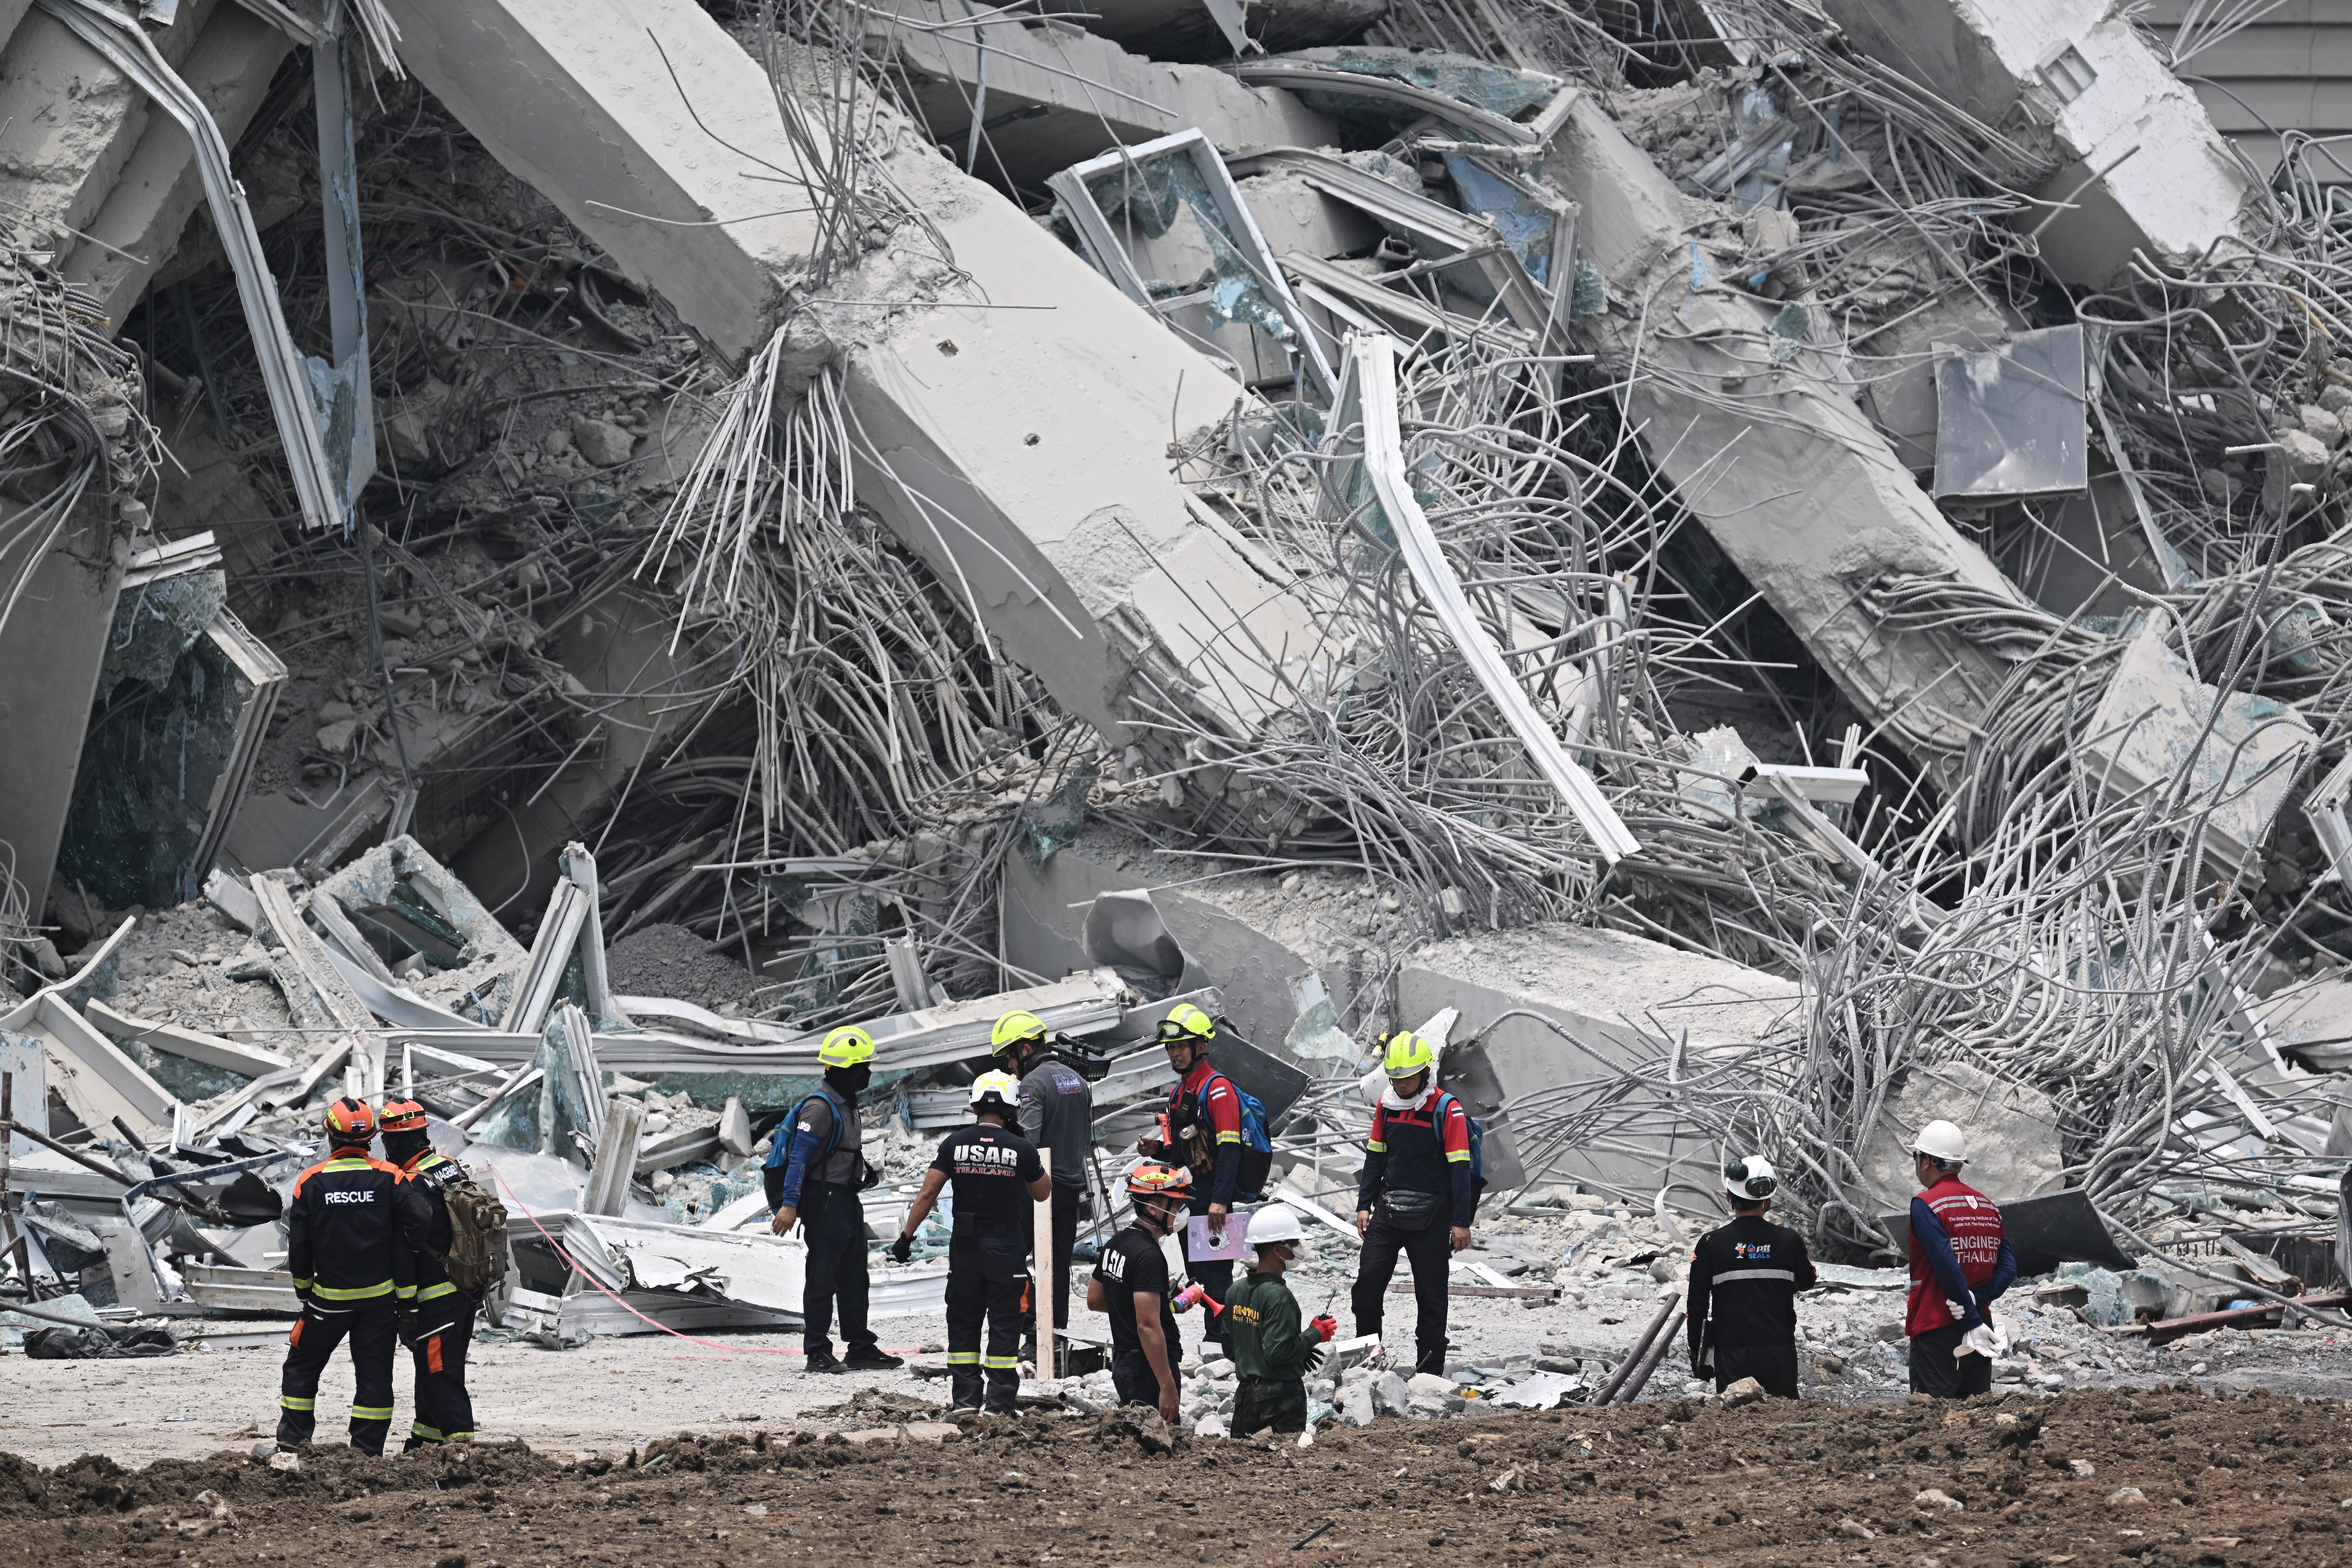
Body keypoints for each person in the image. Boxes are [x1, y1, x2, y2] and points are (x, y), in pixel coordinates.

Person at [889, 1070, 1050, 1416]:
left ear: (974, 1105)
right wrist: (1021, 1152)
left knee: (963, 1321)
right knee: (1005, 1323)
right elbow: (1043, 1192)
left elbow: (928, 1193)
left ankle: (965, 1402)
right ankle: (999, 1404)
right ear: (1012, 1108)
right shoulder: (1021, 1147)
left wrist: (906, 1239)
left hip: (965, 1249)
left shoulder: (954, 1144)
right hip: (1007, 1249)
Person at [277, 1098, 432, 1455]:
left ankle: (293, 1442)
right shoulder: (390, 1177)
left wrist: (304, 1292)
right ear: (372, 1139)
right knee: (375, 1377)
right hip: (379, 1302)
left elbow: (299, 1247)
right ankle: (366, 1452)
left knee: (301, 1366)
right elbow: (420, 1216)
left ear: (330, 1136)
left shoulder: (310, 1181)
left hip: (328, 1301)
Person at [767, 1026, 904, 1374]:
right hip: (824, 1202)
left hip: (845, 1200)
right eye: (864, 1066)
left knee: (855, 1277)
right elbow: (799, 1158)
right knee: (823, 1277)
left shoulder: (847, 1105)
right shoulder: (820, 1108)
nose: (869, 1073)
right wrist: (790, 1203)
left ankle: (860, 1347)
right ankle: (817, 1351)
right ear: (847, 1070)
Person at [1350, 1030, 1474, 1376]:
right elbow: (1375, 1157)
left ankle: (1430, 1372)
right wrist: (1364, 1205)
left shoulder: (1448, 1109)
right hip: (1389, 1211)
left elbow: (1460, 1169)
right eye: (1396, 1079)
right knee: (1367, 1284)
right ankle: (1367, 1361)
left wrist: (1461, 1222)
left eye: (1407, 1079)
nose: (1401, 1085)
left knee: (1432, 1296)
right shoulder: (1387, 1106)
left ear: (1424, 1073)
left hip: (1434, 1216)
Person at [1135, 1003, 1242, 1349]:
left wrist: (1221, 1201)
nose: (1175, 1053)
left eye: (1182, 1045)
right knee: (1199, 1273)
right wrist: (1158, 1151)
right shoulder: (1179, 1092)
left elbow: (1230, 1149)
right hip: (1190, 1197)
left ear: (1201, 1046)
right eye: (1170, 1047)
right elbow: (1184, 1153)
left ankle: (1223, 1344)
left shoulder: (1218, 1088)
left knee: (1217, 1274)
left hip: (1212, 1198)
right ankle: (1216, 1342)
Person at [990, 1008, 1092, 1365]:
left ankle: (1031, 1332)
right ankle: (1056, 1333)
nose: (1009, 1066)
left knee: (1017, 1259)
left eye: (1010, 1056)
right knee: (1058, 1263)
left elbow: (1027, 1142)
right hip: (1072, 1186)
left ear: (1026, 1048)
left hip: (1038, 1189)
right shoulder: (1076, 1079)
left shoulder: (1033, 1084)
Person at [379, 1099, 482, 1447]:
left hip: (436, 1295)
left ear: (396, 1142)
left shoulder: (407, 1185)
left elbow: (405, 1253)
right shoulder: (450, 1167)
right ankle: (423, 1444)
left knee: (438, 1371)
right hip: (466, 1287)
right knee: (436, 1367)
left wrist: (406, 1310)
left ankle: (461, 1448)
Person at [1685, 1154, 1816, 1399]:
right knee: (1783, 1420)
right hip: (1779, 1348)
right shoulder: (1790, 1241)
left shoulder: (1710, 1244)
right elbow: (1809, 1279)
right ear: (1767, 1200)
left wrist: (1699, 1354)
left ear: (1729, 1197)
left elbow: (1697, 1306)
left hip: (1731, 1351)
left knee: (1736, 1425)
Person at [1905, 1119, 2018, 1400]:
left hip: (1938, 1327)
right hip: (1982, 1328)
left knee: (1931, 1423)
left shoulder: (1926, 1205)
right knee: (1976, 1421)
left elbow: (1946, 1265)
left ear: (1928, 1161)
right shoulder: (1988, 1206)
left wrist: (1968, 1317)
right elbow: (2008, 1268)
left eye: (1917, 1157)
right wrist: (1977, 1301)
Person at [1088, 1162, 1191, 1422]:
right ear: (1152, 1207)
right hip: (1149, 1371)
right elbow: (1147, 1326)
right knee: (1160, 1449)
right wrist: (1167, 1386)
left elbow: (1097, 1299)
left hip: (1124, 1365)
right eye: (1176, 1205)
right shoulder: (1149, 1255)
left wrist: (1156, 1296)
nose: (1181, 1212)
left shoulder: (1117, 1243)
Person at [1223, 1203, 1337, 1437]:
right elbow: (1277, 1351)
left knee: (1241, 1462)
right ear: (1279, 1250)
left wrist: (1297, 1354)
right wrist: (1315, 1334)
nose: (1299, 1249)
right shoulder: (1279, 1297)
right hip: (1280, 1400)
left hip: (1247, 1398)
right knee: (1283, 1465)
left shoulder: (1235, 1291)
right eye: (1295, 1244)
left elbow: (1232, 1349)